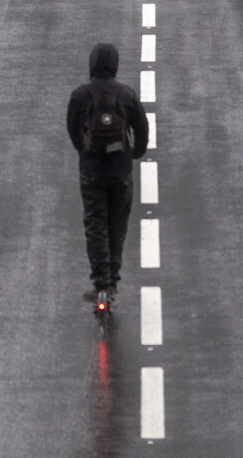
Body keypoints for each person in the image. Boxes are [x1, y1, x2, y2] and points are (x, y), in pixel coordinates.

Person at [65, 41, 149, 309]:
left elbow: (72, 129)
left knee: (95, 224)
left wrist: (84, 149)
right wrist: (134, 152)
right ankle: (113, 281)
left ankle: (100, 283)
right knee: (117, 225)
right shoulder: (126, 94)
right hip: (120, 170)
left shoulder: (80, 95)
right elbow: (142, 128)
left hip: (92, 171)